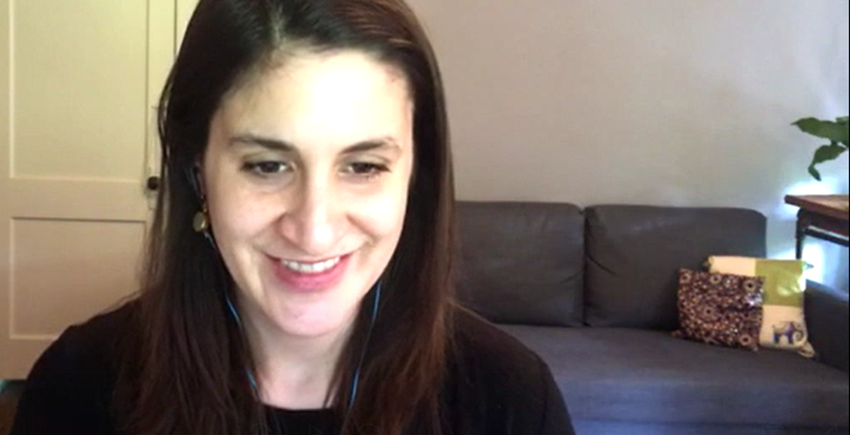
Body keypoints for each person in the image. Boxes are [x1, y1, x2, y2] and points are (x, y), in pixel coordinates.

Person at [10, 0, 575, 434]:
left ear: (416, 177)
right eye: (267, 165)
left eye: (363, 165)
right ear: (196, 171)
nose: (314, 228)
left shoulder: (510, 398)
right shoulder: (79, 386)